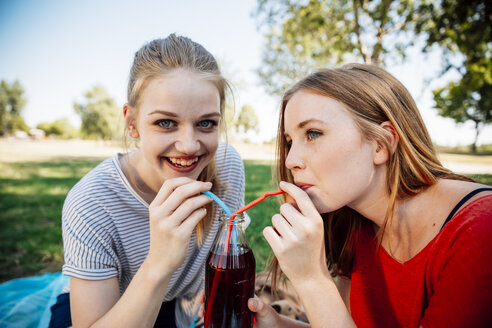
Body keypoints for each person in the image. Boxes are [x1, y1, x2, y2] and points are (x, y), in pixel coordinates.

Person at [245, 64, 492, 327]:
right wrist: (276, 324)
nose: (292, 160)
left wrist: (312, 280)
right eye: (290, 141)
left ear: (380, 144)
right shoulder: (353, 223)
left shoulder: (479, 233)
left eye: (313, 134)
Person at [49, 34, 247, 328]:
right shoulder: (91, 203)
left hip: (177, 309)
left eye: (206, 123)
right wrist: (159, 261)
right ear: (132, 123)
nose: (189, 146)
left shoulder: (227, 165)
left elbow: (226, 250)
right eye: (165, 123)